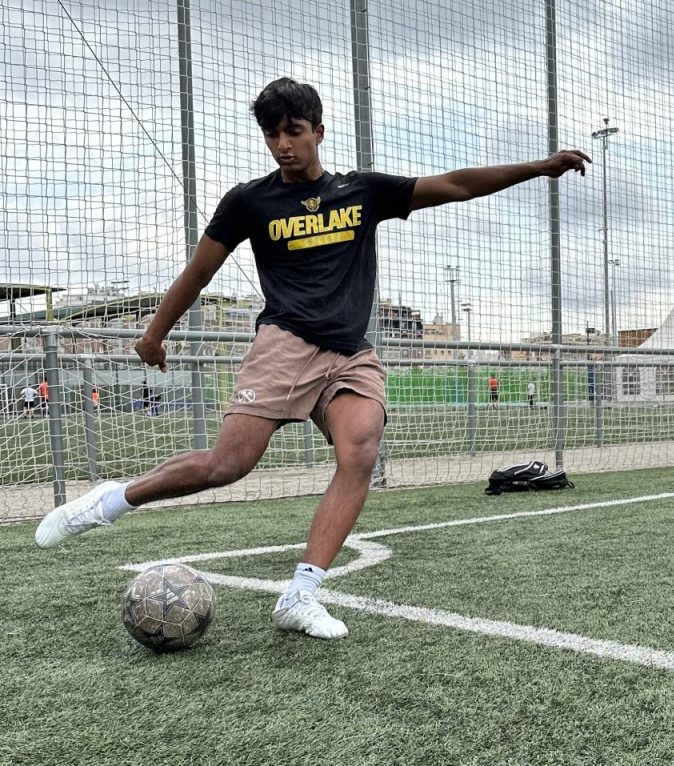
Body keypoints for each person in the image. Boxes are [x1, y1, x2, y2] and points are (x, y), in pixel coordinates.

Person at [35, 77, 590, 640]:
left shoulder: (362, 191)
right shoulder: (249, 202)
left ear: (318, 132)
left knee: (360, 449)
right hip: (285, 343)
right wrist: (154, 335)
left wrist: (539, 167)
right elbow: (199, 272)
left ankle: (299, 595)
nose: (283, 144)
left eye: (293, 132)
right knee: (228, 465)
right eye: (272, 134)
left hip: (349, 353)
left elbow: (455, 184)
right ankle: (108, 503)